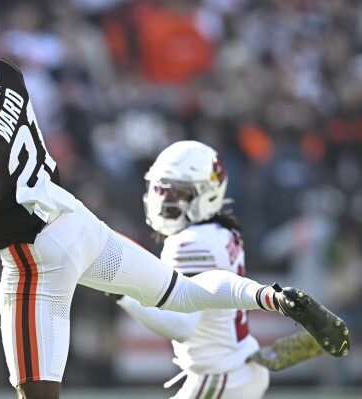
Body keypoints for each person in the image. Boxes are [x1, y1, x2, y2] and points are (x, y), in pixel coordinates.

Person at [0, 22, 350, 399]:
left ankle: (125, 297)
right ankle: (273, 297)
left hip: (34, 263)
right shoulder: (8, 77)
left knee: (38, 393)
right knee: (184, 296)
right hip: (79, 223)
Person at [105, 141, 328, 398]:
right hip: (237, 363)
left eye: (176, 192)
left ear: (206, 194)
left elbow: (180, 325)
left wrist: (122, 292)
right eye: (159, 189)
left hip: (221, 374)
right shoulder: (220, 231)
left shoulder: (190, 243)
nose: (162, 200)